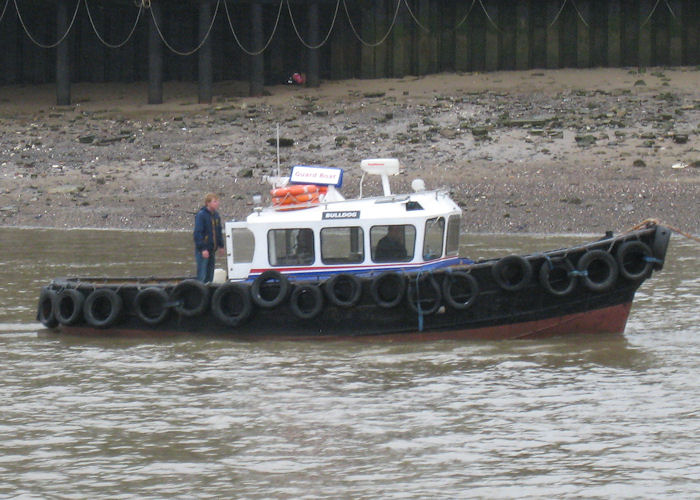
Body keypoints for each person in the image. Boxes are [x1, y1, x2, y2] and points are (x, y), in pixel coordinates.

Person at [193, 193, 224, 283]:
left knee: (210, 275)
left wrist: (221, 246)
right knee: (202, 275)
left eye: (217, 201)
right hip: (203, 250)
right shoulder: (201, 215)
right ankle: (200, 292)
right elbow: (197, 234)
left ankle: (208, 291)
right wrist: (203, 249)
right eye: (215, 201)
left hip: (212, 250)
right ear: (208, 203)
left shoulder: (216, 215)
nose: (217, 203)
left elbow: (218, 231)